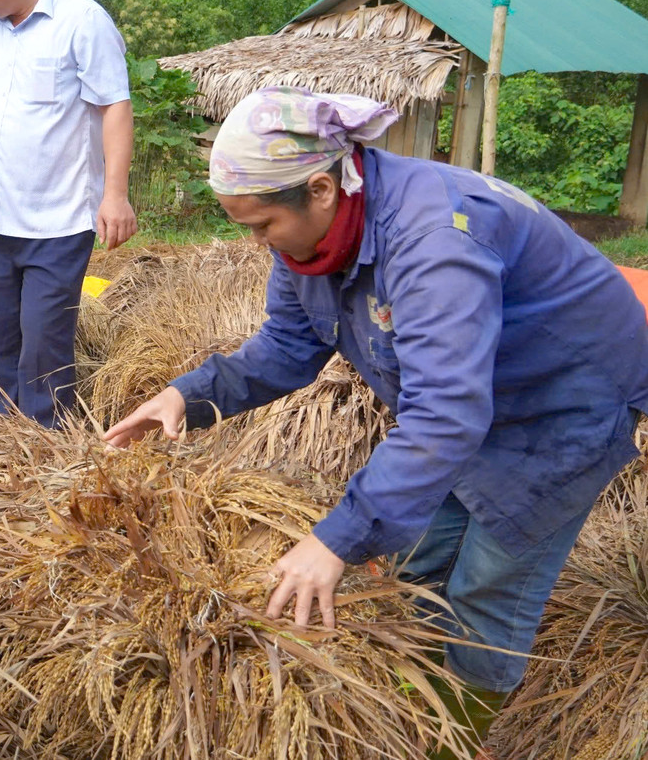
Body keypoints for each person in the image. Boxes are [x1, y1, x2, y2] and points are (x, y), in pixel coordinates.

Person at [103, 86, 648, 757]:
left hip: (564, 401)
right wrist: (188, 396)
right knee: (422, 557)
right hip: (474, 395)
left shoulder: (431, 242)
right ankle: (415, 703)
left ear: (322, 189)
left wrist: (335, 541)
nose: (256, 244)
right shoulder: (311, 241)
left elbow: (447, 414)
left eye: (261, 225)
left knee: (488, 584)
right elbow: (289, 345)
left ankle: (453, 739)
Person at [0, 0, 136, 429]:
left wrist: (114, 196)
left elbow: (114, 107)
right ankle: (9, 441)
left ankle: (47, 449)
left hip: (58, 219)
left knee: (43, 341)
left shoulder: (81, 20)